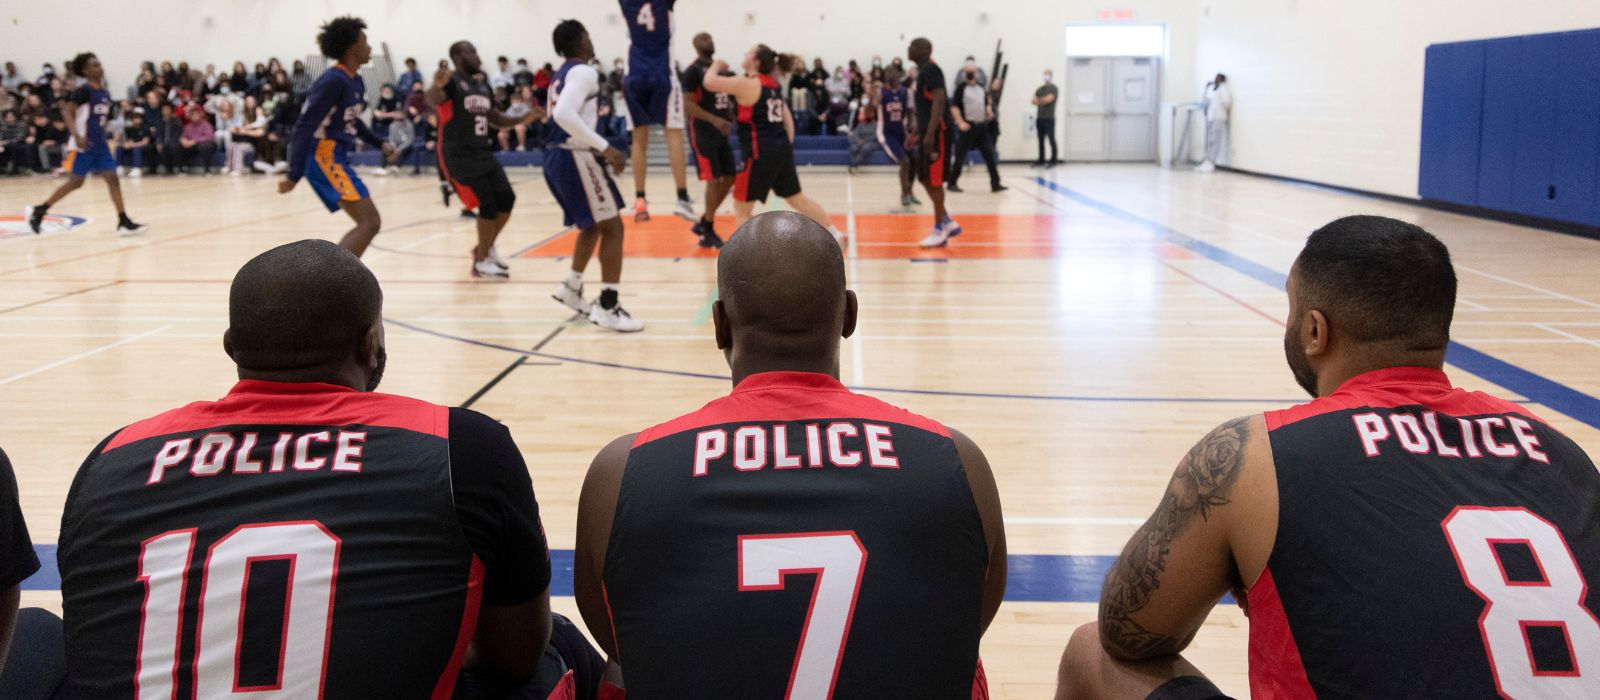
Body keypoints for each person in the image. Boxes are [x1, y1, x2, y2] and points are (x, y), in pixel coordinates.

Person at [1056, 215, 1600, 699]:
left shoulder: (1258, 456)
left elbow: (1126, 632)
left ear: (1315, 331)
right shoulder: (1564, 452)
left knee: (1092, 654)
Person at [57, 239, 558, 697]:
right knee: (559, 649)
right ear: (370, 345)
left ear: (231, 346)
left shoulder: (115, 455)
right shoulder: (459, 445)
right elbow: (512, 661)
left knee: (41, 633)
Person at [574, 211, 1007, 697]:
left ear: (719, 326)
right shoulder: (957, 462)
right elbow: (965, 624)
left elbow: (627, 640)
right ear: (849, 315)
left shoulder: (620, 474)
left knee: (613, 666)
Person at [544, 20, 644, 333]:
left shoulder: (562, 74)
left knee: (592, 226)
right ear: (579, 41)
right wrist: (606, 148)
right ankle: (608, 305)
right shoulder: (585, 72)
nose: (591, 39)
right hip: (576, 155)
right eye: (587, 34)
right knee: (613, 227)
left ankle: (571, 287)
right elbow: (562, 114)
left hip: (557, 156)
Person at [279, 16, 396, 257]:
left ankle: (335, 282)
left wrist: (380, 143)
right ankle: (333, 283)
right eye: (365, 41)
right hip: (324, 155)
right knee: (369, 222)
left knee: (369, 222)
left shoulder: (355, 79)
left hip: (335, 154)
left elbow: (353, 121)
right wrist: (294, 173)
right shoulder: (332, 80)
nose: (370, 47)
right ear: (352, 47)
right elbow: (304, 126)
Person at [703, 46, 846, 242]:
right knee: (798, 200)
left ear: (755, 62)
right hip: (781, 148)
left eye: (748, 52)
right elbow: (788, 123)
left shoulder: (747, 83)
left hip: (758, 151)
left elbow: (709, 82)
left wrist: (716, 64)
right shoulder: (773, 85)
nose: (744, 53)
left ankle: (747, 257)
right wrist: (784, 148)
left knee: (742, 208)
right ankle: (835, 234)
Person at [429, 40, 542, 280]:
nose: (478, 57)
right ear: (458, 57)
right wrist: (435, 85)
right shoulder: (450, 82)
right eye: (472, 52)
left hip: (482, 152)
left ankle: (485, 249)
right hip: (459, 153)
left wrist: (525, 118)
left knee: (507, 199)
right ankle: (480, 261)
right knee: (488, 205)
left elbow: (496, 118)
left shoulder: (481, 85)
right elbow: (433, 99)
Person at [25, 53, 147, 236]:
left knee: (113, 179)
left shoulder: (104, 92)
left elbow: (99, 119)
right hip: (85, 143)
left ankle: (123, 219)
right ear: (85, 71)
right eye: (95, 65)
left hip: (100, 143)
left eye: (100, 63)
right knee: (76, 182)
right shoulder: (84, 91)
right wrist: (76, 135)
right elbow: (67, 111)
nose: (100, 67)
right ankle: (40, 210)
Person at [618, 0, 694, 223]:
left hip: (634, 76)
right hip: (662, 75)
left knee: (639, 141)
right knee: (674, 135)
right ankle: (681, 197)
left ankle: (640, 200)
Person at [679, 31, 735, 249]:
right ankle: (708, 229)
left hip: (721, 130)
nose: (708, 41)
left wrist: (729, 114)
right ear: (695, 45)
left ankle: (704, 221)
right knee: (714, 180)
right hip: (703, 131)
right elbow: (687, 105)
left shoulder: (719, 69)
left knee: (730, 176)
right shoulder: (692, 71)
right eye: (703, 38)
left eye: (710, 38)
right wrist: (713, 119)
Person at [908, 38, 961, 248]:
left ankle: (939, 229)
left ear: (923, 51)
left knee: (935, 180)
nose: (908, 49)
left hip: (938, 134)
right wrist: (918, 132)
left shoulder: (931, 70)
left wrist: (930, 134)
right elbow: (927, 106)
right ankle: (946, 220)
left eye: (913, 46)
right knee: (923, 177)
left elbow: (939, 101)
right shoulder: (923, 71)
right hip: (928, 132)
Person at [947, 64, 1004, 194]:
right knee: (960, 155)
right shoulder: (960, 89)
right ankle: (952, 182)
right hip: (967, 126)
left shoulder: (981, 88)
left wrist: (988, 110)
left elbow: (986, 102)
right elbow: (954, 107)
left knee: (989, 154)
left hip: (981, 126)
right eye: (968, 71)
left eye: (973, 71)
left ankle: (996, 183)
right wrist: (960, 122)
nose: (971, 73)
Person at [878, 68, 918, 208]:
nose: (897, 83)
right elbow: (870, 107)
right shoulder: (881, 92)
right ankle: (904, 194)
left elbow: (911, 111)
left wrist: (913, 126)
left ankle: (910, 191)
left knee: (914, 159)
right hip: (887, 134)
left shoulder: (906, 92)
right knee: (905, 162)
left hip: (902, 132)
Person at [1196, 73, 1230, 173]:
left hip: (1218, 117)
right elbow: (1206, 100)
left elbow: (1227, 102)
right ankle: (1207, 161)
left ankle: (1212, 163)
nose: (1215, 79)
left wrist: (1221, 111)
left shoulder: (1223, 88)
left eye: (1218, 78)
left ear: (1222, 80)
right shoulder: (1214, 89)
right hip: (1211, 117)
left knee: (1215, 141)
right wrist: (1206, 88)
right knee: (1210, 141)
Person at [1032, 69, 1059, 167]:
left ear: (1051, 76)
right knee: (1040, 140)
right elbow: (1033, 101)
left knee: (1051, 139)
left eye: (1048, 74)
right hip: (1040, 118)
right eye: (1045, 74)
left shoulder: (1054, 88)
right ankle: (1041, 159)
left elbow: (1049, 99)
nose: (1046, 76)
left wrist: (1041, 100)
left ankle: (1053, 160)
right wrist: (1042, 100)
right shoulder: (1040, 89)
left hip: (1049, 118)